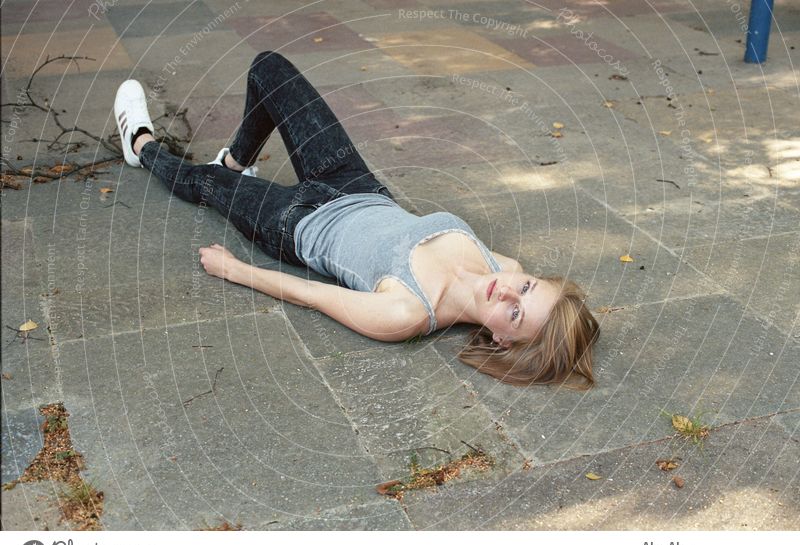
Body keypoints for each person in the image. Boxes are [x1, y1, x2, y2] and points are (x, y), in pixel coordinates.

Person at [114, 50, 599, 388]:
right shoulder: (505, 269)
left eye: (514, 313)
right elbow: (513, 281)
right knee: (269, 69)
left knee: (204, 185)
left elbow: (313, 294)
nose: (510, 292)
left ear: (499, 339)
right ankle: (236, 160)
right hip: (355, 184)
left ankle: (140, 144)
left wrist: (235, 270)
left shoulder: (407, 315)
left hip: (293, 224)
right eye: (530, 288)